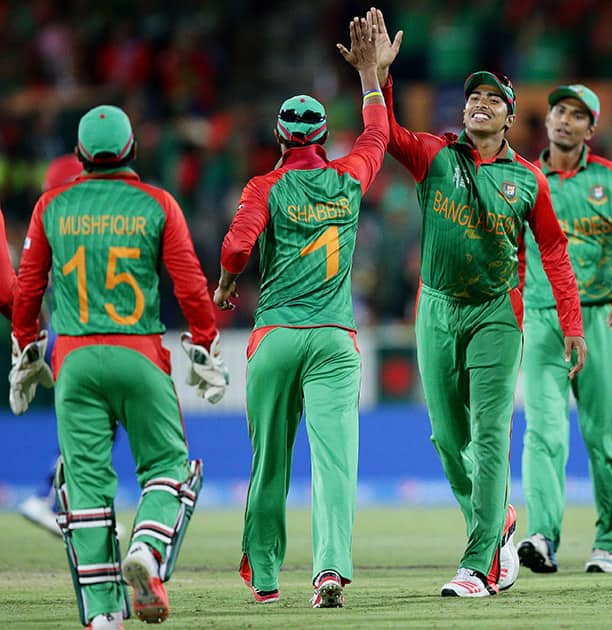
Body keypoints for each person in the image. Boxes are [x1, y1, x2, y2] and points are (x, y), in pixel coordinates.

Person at [374, 10, 586, 597]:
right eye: (474, 98)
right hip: (436, 310)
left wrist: (572, 324)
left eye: (494, 100)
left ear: (511, 119)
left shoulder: (529, 183)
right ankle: (497, 521)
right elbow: (385, 134)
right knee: (447, 439)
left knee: (490, 436)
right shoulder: (435, 156)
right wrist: (379, 81)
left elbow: (555, 254)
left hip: (498, 313)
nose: (480, 104)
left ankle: (479, 563)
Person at [11, 104, 227, 628]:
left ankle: (105, 616)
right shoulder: (157, 204)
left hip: (76, 362)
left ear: (80, 155)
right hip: (139, 356)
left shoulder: (50, 207)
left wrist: (25, 347)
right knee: (168, 469)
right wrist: (205, 343)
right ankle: (148, 552)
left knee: (84, 490)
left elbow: (27, 288)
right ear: (132, 149)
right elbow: (191, 284)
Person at [213, 11, 394, 609]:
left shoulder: (264, 186)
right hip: (336, 339)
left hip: (277, 336)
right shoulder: (347, 178)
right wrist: (370, 76)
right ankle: (330, 572)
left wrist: (226, 283)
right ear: (321, 135)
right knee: (335, 463)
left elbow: (238, 246)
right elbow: (378, 136)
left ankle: (265, 579)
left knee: (269, 461)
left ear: (281, 134)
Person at [517, 84, 612, 575]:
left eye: (577, 115)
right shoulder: (526, 177)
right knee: (543, 431)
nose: (564, 120)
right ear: (548, 119)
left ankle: (610, 543)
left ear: (591, 129)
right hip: (542, 317)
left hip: (598, 317)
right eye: (558, 110)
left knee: (601, 437)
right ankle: (543, 537)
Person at [17, 154, 88, 539]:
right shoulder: (85, 220)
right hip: (83, 335)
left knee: (88, 422)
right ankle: (49, 497)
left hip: (63, 333)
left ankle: (68, 502)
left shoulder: (52, 222)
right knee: (93, 423)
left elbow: (30, 285)